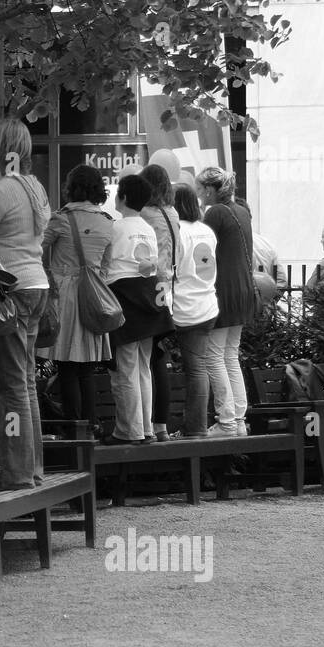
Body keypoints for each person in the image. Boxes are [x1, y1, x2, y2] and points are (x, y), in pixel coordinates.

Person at [0, 118, 51, 488]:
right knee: (25, 383)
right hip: (37, 285)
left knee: (10, 387)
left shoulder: (1, 191)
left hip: (11, 293)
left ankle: (16, 474)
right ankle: (32, 468)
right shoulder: (34, 188)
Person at [41, 164, 113, 438]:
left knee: (67, 366)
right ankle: (91, 425)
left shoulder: (60, 219)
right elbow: (106, 265)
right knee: (86, 369)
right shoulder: (107, 222)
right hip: (94, 296)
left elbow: (38, 251)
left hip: (65, 297)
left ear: (71, 187)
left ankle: (73, 429)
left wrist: (51, 277)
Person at [103, 174, 171, 444]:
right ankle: (146, 429)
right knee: (142, 367)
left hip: (125, 300)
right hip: (149, 302)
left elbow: (107, 265)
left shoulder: (116, 229)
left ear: (124, 197)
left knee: (126, 368)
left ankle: (129, 431)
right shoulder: (148, 228)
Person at [198, 168, 253, 436]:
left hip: (223, 290)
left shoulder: (215, 213)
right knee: (230, 355)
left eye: (201, 188)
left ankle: (227, 421)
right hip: (242, 290)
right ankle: (238, 419)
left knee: (213, 356)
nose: (198, 193)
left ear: (210, 190)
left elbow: (203, 252)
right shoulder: (242, 211)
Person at [170, 183, 227, 438]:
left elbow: (172, 269)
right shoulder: (206, 231)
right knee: (199, 366)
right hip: (207, 305)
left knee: (195, 369)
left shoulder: (177, 231)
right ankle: (196, 425)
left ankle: (195, 427)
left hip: (185, 307)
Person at [139, 164, 177, 442]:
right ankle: (161, 424)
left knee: (146, 359)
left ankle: (147, 426)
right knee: (159, 357)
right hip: (169, 287)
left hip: (150, 286)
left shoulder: (146, 215)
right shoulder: (173, 213)